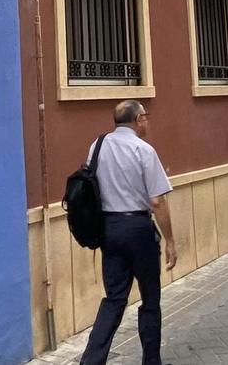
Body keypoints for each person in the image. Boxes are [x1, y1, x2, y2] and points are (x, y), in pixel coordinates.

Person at [80, 100, 176, 365]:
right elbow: (157, 201)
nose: (147, 121)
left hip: (109, 229)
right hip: (139, 229)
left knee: (114, 298)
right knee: (150, 299)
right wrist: (170, 240)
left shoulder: (96, 147)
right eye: (145, 117)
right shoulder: (143, 150)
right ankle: (151, 361)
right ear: (138, 119)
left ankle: (91, 361)